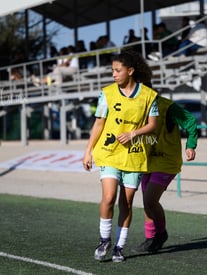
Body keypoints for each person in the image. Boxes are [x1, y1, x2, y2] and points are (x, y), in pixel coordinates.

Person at [82, 50, 158, 262]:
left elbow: (153, 125)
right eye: (112, 70)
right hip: (109, 153)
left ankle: (119, 247)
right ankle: (104, 240)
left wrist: (134, 133)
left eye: (118, 70)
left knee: (127, 202)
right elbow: (99, 123)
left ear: (130, 71)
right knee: (108, 198)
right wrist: (88, 151)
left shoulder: (148, 96)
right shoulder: (107, 93)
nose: (114, 74)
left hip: (134, 156)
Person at [136, 95, 198, 253]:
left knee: (150, 199)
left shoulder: (167, 106)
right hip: (147, 161)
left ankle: (161, 234)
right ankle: (150, 238)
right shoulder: (134, 104)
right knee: (146, 202)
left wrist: (191, 145)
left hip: (167, 161)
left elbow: (189, 120)